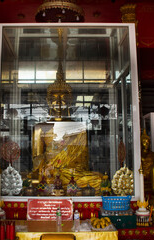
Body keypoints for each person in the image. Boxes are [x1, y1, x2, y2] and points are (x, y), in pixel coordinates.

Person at [31, 62, 102, 193]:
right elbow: (37, 160)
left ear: (71, 101)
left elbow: (83, 162)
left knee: (99, 180)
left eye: (63, 99)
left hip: (73, 174)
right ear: (47, 101)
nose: (58, 103)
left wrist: (72, 171)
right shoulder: (40, 128)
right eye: (54, 98)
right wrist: (46, 169)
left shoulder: (79, 127)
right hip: (49, 174)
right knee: (32, 180)